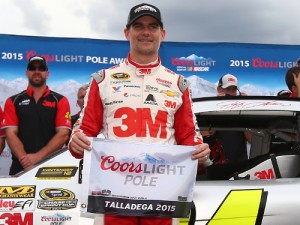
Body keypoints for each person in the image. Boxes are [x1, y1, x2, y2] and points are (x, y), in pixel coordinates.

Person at [68, 3, 210, 225]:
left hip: (162, 195)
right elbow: (84, 131)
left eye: (152, 26)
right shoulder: (102, 79)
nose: (146, 32)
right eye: (138, 26)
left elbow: (189, 137)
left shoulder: (179, 84)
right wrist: (76, 142)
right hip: (113, 196)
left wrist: (200, 151)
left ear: (162, 34)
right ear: (127, 33)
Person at [2, 55, 72, 175]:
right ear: (27, 73)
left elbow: (63, 134)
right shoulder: (13, 101)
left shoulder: (60, 100)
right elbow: (10, 133)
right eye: (32, 68)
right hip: (20, 165)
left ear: (47, 74)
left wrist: (37, 157)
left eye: (41, 68)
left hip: (51, 167)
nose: (37, 71)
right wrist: (26, 160)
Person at [203, 74, 250, 164]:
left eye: (234, 90)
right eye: (228, 89)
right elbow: (207, 135)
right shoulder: (208, 109)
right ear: (219, 90)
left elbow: (251, 139)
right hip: (217, 163)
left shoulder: (240, 111)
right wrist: (218, 109)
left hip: (240, 164)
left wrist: (247, 109)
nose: (231, 93)